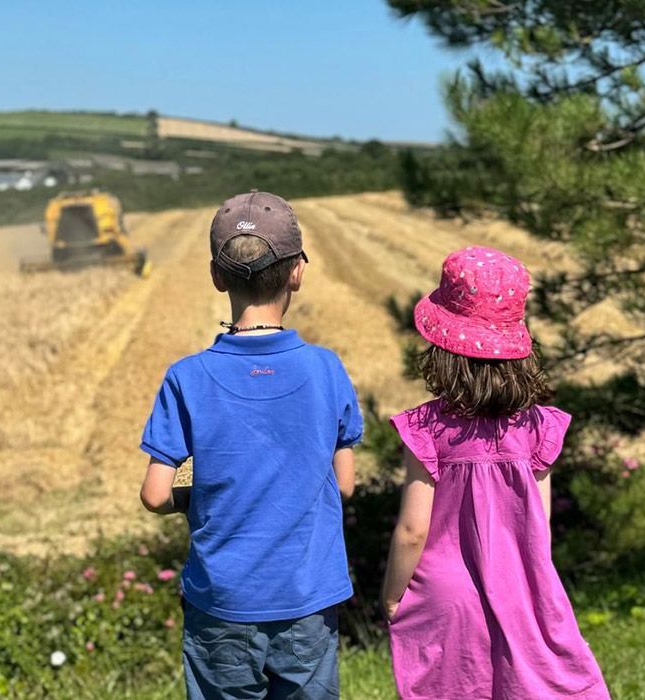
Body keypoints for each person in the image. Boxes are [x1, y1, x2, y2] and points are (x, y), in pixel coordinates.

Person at [139, 191, 363, 700]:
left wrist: (198, 499)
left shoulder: (186, 377)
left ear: (217, 277)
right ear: (297, 273)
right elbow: (344, 485)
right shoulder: (326, 369)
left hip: (220, 601)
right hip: (307, 596)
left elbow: (155, 495)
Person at [382, 246, 610, 699]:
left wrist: (392, 595)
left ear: (442, 348)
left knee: (455, 686)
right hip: (522, 586)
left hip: (444, 596)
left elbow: (412, 530)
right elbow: (536, 526)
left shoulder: (426, 428)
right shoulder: (539, 426)